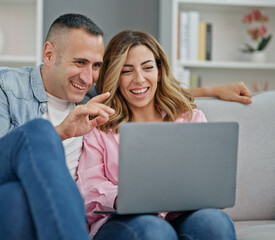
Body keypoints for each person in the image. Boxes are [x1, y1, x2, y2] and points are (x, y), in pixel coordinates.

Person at [0, 13, 247, 240]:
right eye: (79, 62)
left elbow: (143, 90)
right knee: (40, 135)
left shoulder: (93, 99)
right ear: (49, 53)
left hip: (18, 210)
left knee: (12, 199)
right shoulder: (1, 84)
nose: (88, 77)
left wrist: (210, 90)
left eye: (97, 66)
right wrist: (58, 134)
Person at [76, 30, 236, 240]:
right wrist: (120, 198)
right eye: (127, 71)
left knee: (215, 224)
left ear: (159, 72)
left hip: (183, 214)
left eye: (148, 68)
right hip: (123, 220)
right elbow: (88, 188)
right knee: (155, 231)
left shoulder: (190, 118)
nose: (139, 79)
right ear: (115, 76)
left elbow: (208, 177)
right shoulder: (98, 127)